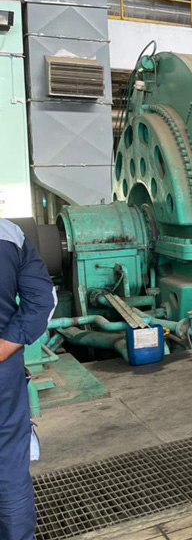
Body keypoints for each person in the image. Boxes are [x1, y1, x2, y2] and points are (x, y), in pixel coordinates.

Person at [0, 218, 56, 540]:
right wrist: (6, 345)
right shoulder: (10, 233)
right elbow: (43, 300)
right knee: (7, 460)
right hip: (2, 371)